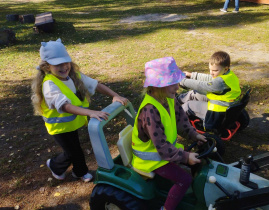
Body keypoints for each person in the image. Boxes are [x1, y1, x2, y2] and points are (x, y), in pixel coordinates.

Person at [31, 38, 128, 182]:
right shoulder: (49, 85)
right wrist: (91, 112)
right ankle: (58, 166)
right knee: (72, 152)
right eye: (58, 64)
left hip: (72, 123)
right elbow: (64, 106)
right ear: (47, 67)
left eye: (66, 62)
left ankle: (78, 171)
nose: (64, 67)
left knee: (75, 148)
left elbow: (95, 85)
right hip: (59, 126)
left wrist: (115, 95)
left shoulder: (73, 76)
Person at [131, 57, 206, 210]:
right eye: (173, 84)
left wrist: (194, 134)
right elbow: (161, 146)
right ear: (158, 86)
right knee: (183, 180)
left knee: (199, 161)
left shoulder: (168, 98)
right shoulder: (149, 111)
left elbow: (181, 120)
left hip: (164, 152)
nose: (178, 87)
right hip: (152, 159)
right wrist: (184, 156)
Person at [177, 51, 241, 131]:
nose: (211, 73)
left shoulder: (220, 83)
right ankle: (175, 100)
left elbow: (201, 86)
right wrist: (191, 75)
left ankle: (173, 115)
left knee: (188, 106)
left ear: (226, 68)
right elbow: (210, 78)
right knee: (194, 94)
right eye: (210, 69)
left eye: (214, 71)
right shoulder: (228, 75)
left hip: (217, 113)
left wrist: (182, 81)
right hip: (226, 105)